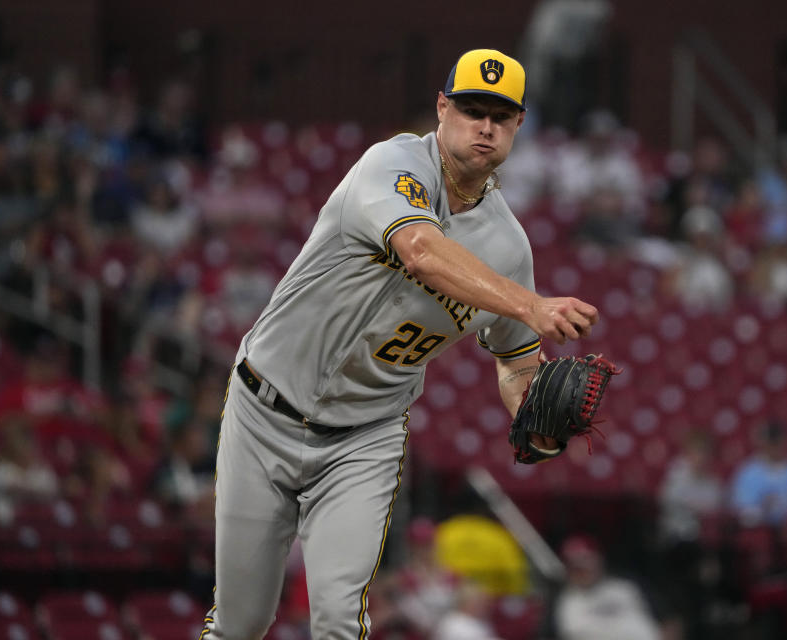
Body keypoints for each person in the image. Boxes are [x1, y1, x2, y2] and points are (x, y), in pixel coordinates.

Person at [198, 49, 598, 640]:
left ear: (518, 126)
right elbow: (420, 248)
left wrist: (536, 423)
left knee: (338, 621)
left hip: (366, 436)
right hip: (264, 409)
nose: (484, 126)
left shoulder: (509, 248)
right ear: (442, 108)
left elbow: (517, 365)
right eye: (470, 109)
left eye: (501, 115)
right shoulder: (391, 163)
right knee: (242, 622)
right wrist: (529, 304)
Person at [554, 535, 662, 640]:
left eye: (587, 564)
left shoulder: (626, 587)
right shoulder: (564, 600)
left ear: (599, 561)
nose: (584, 573)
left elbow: (669, 622)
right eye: (577, 568)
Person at [730, 421, 787, 526]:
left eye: (778, 442)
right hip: (761, 530)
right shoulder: (748, 473)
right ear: (763, 443)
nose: (775, 448)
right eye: (772, 443)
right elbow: (743, 511)